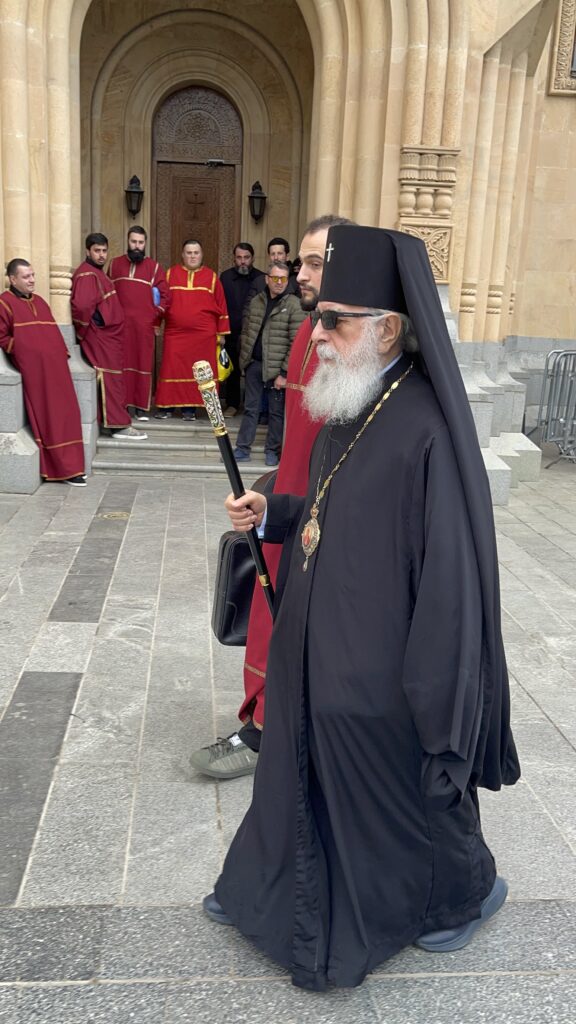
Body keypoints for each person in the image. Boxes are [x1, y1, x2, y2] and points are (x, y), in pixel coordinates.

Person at [203, 225, 521, 990]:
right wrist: (273, 514)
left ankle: (462, 894)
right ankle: (268, 887)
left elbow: (450, 582)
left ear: (384, 328)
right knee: (296, 774)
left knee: (407, 795)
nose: (316, 333)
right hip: (316, 643)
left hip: (385, 668)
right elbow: (326, 508)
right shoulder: (348, 402)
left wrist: (438, 698)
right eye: (318, 318)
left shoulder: (428, 430)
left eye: (333, 321)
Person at [189, 214, 353, 779]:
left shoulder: (360, 344)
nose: (298, 273)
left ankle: (299, 733)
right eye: (300, 262)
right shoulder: (311, 329)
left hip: (335, 520)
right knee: (268, 615)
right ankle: (263, 726)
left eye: (315, 263)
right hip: (288, 509)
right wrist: (273, 490)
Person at [0, 259, 86, 485]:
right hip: (35, 373)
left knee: (69, 413)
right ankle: (62, 469)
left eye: (33, 275)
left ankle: (75, 465)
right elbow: (3, 338)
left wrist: (59, 354)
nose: (32, 280)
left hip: (57, 370)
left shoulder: (40, 301)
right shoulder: (4, 303)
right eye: (26, 276)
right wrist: (25, 351)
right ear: (12, 279)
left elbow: (54, 333)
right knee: (50, 416)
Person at [71, 233, 147, 440]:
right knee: (111, 380)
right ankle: (118, 426)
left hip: (108, 337)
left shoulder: (97, 273)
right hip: (100, 337)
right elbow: (82, 307)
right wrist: (89, 330)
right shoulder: (87, 274)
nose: (101, 255)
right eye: (97, 251)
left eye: (104, 251)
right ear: (87, 251)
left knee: (113, 379)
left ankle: (111, 422)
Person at [234, 261, 306, 466]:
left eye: (283, 278)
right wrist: (245, 361)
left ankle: (272, 451)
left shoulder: (295, 305)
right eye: (275, 278)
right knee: (250, 409)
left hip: (277, 370)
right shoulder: (257, 301)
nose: (279, 282)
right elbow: (247, 331)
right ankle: (242, 448)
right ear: (267, 279)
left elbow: (296, 343)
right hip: (255, 365)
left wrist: (284, 372)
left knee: (276, 413)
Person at [155, 240, 230, 420]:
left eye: (196, 253)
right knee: (171, 369)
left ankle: (190, 410)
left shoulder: (212, 277)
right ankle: (167, 408)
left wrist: (222, 333)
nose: (192, 256)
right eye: (189, 253)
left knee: (198, 372)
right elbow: (161, 301)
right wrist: (156, 323)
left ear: (201, 255)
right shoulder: (170, 274)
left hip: (203, 336)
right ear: (182, 255)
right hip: (175, 334)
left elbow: (222, 306)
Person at [108, 226, 170, 421]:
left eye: (140, 242)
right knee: (122, 364)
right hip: (119, 327)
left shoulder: (154, 267)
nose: (137, 246)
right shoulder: (114, 265)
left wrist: (153, 316)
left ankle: (141, 408)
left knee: (142, 363)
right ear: (128, 241)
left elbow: (165, 296)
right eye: (133, 242)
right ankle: (122, 406)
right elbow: (107, 293)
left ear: (145, 244)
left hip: (143, 327)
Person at [219, 242, 264, 417]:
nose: (243, 261)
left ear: (252, 258)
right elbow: (220, 305)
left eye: (246, 257)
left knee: (254, 370)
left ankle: (254, 408)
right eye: (239, 257)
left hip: (254, 333)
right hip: (231, 331)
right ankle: (232, 404)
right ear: (234, 259)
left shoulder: (261, 278)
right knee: (232, 370)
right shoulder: (225, 277)